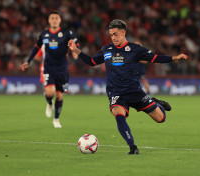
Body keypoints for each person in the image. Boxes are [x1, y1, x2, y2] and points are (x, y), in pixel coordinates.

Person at [68, 19, 187, 154]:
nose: (113, 37)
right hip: (116, 93)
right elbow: (92, 61)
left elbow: (155, 58)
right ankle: (132, 147)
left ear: (124, 32)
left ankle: (155, 101)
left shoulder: (135, 49)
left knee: (161, 119)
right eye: (111, 35)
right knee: (118, 114)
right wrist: (76, 50)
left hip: (135, 92)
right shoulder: (106, 50)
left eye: (116, 34)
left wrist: (175, 58)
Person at [21, 11, 79, 128]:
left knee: (59, 95)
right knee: (50, 92)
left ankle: (56, 119)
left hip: (62, 69)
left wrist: (75, 52)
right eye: (52, 18)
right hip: (48, 67)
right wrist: (28, 61)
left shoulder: (66, 33)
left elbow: (75, 44)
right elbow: (36, 48)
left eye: (56, 18)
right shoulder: (44, 34)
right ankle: (49, 103)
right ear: (49, 20)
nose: (54, 20)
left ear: (60, 20)